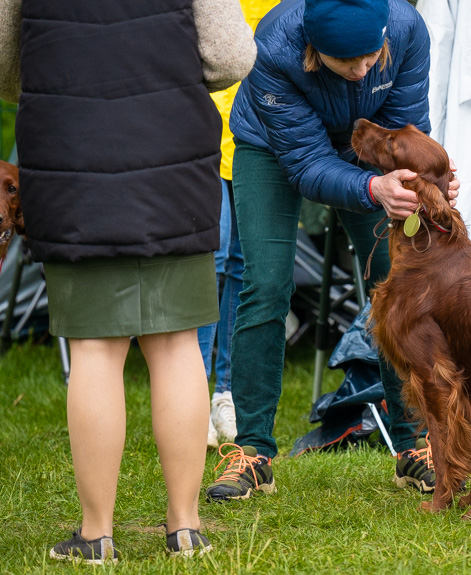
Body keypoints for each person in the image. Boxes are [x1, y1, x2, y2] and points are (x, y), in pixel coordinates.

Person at [0, 0, 256, 563]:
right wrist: (162, 69)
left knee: (93, 347)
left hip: (70, 160)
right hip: (171, 158)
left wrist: (66, 73)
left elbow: (4, 61)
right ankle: (186, 528)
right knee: (176, 343)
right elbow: (233, 55)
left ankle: (96, 536)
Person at [205, 0, 459, 502]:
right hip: (273, 151)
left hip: (365, 148)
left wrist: (423, 184)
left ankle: (415, 446)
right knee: (266, 285)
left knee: (398, 287)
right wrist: (375, 190)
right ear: (314, 53)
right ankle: (254, 453)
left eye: (370, 57)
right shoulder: (275, 45)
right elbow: (306, 165)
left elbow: (407, 128)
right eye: (348, 63)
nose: (363, 70)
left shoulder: (407, 30)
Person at [200, 0, 280, 450]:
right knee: (212, 253)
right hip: (207, 124)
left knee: (242, 261)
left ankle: (225, 393)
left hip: (256, 129)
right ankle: (191, 393)